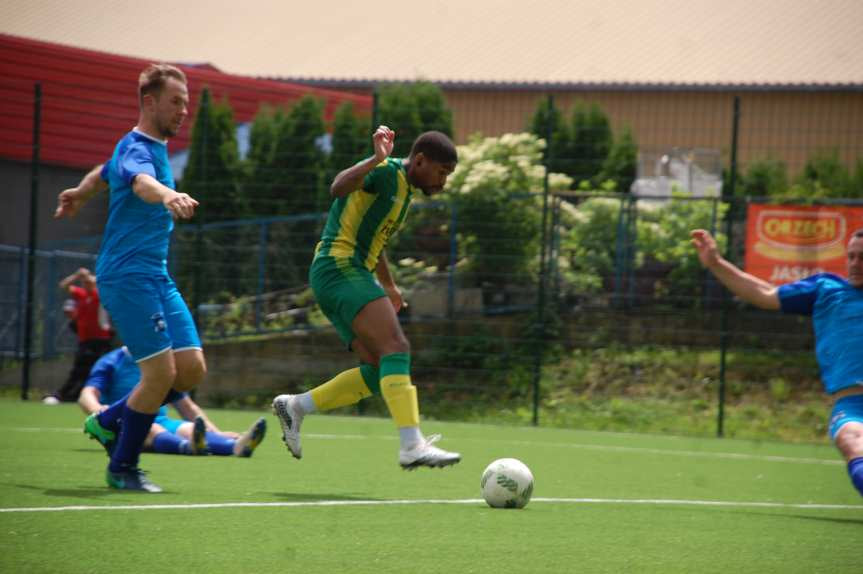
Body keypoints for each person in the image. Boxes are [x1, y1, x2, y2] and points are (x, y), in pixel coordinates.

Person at [272, 126, 462, 470]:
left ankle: (296, 406)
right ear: (419, 160)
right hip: (339, 267)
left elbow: (376, 240)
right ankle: (411, 446)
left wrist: (388, 285)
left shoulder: (405, 192)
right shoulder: (387, 172)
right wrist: (376, 159)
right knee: (397, 347)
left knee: (377, 370)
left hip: (341, 273)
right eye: (441, 172)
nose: (443, 181)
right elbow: (338, 187)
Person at [54, 63, 205, 492]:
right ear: (149, 101)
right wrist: (169, 193)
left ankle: (106, 420)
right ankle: (122, 467)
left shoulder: (141, 147)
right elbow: (140, 184)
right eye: (175, 102)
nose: (182, 111)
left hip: (156, 275)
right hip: (126, 276)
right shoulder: (137, 149)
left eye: (186, 104)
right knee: (159, 376)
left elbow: (102, 174)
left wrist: (79, 194)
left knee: (190, 370)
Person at [691, 227, 863, 496]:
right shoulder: (826, 289)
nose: (854, 264)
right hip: (853, 404)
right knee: (851, 441)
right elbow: (764, 293)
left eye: (862, 257)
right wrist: (716, 263)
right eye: (851, 256)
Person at [79, 347, 266, 458]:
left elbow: (187, 407)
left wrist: (217, 433)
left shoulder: (162, 364)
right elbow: (87, 394)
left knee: (190, 429)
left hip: (163, 421)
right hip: (126, 421)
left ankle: (237, 447)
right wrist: (98, 410)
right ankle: (188, 447)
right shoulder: (113, 361)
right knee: (151, 429)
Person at [43, 268, 113, 404]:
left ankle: (99, 396)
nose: (86, 285)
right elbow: (63, 286)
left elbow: (102, 284)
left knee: (99, 369)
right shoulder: (81, 295)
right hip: (85, 340)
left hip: (100, 340)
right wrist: (76, 275)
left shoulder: (98, 295)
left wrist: (88, 276)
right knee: (79, 369)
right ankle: (67, 395)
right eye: (84, 283)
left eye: (89, 283)